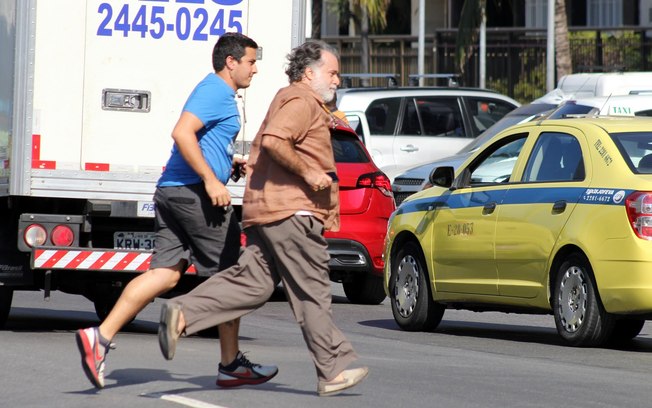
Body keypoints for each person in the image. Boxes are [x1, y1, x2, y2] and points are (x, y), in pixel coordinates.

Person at [157, 40, 369, 397]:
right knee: (313, 293)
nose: (337, 80)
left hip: (269, 212)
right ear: (309, 73)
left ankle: (183, 313)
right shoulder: (301, 101)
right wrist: (310, 174)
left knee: (251, 285)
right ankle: (332, 369)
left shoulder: (296, 100)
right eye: (332, 73)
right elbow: (274, 141)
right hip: (292, 214)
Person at [75, 32, 278, 390]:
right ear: (230, 62)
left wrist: (225, 164)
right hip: (195, 195)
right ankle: (230, 363)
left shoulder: (219, 93)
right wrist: (211, 181)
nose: (255, 69)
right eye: (250, 61)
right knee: (232, 278)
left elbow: (200, 140)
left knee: (166, 275)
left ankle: (100, 337)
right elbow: (182, 133)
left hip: (174, 191)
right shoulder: (215, 90)